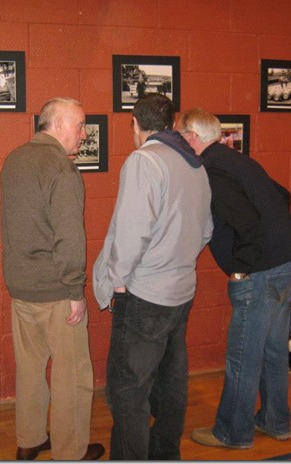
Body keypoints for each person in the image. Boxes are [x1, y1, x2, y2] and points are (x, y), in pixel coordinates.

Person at [177, 108, 291, 449]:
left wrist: (242, 267)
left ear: (192, 137)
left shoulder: (212, 169)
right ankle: (276, 422)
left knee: (243, 354)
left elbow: (247, 224)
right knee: (273, 348)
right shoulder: (239, 160)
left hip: (263, 270)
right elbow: (283, 195)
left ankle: (232, 432)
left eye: (180, 136)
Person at [92, 93, 213, 460]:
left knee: (128, 392)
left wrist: (116, 280)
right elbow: (206, 230)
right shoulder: (194, 164)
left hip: (145, 296)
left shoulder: (145, 160)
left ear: (135, 123)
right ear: (171, 123)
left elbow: (132, 232)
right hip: (180, 292)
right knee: (170, 387)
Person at [0, 97, 104, 461]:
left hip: (21, 286)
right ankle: (71, 452)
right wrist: (75, 290)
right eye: (79, 126)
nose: (84, 134)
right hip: (57, 290)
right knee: (72, 376)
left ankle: (29, 440)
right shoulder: (61, 168)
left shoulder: (14, 159)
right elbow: (70, 236)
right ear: (58, 125)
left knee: (29, 369)